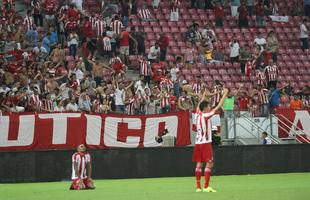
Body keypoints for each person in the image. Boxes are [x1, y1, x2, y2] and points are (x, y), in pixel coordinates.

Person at [193, 87, 228, 193]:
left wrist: (204, 95)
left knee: (199, 164)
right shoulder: (206, 115)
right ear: (205, 108)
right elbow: (219, 106)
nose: (210, 107)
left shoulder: (197, 114)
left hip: (198, 143)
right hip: (205, 143)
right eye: (208, 106)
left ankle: (198, 187)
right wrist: (225, 94)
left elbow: (199, 105)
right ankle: (206, 186)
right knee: (209, 163)